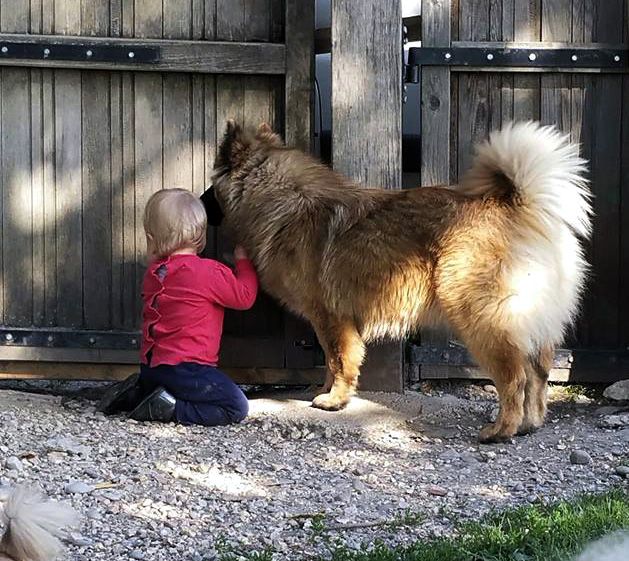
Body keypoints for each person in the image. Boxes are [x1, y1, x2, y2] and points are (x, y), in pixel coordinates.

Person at [97, 188, 257, 426]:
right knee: (236, 407)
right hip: (188, 372)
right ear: (200, 234)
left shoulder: (155, 273)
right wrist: (244, 261)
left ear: (152, 238)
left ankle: (138, 394)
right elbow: (244, 296)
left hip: (151, 369)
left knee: (162, 385)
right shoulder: (208, 273)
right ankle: (170, 410)